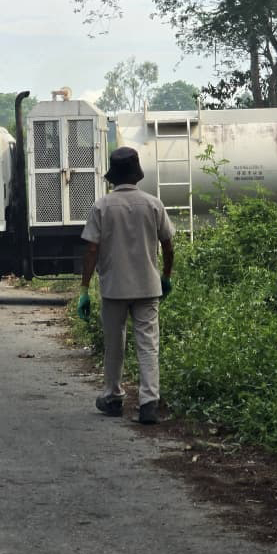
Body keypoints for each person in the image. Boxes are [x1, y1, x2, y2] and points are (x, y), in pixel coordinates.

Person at [77, 147, 175, 425]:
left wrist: (84, 289)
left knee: (114, 345)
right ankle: (149, 404)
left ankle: (113, 397)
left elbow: (91, 251)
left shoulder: (101, 207)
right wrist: (166, 276)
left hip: (114, 288)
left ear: (113, 176)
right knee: (148, 345)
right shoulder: (154, 204)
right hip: (147, 287)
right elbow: (168, 246)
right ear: (136, 174)